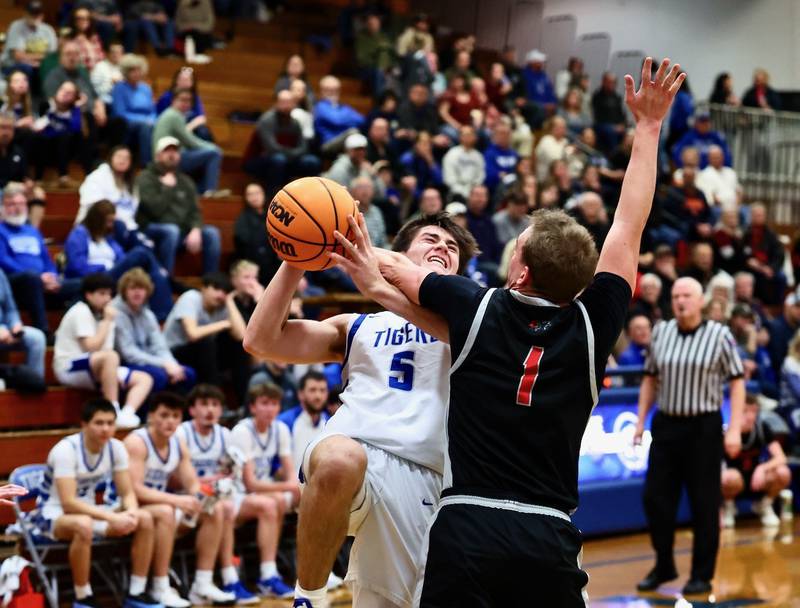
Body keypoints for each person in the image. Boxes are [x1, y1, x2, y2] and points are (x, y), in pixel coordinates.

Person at [372, 57, 685, 606]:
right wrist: (649, 128)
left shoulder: (478, 305)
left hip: (466, 524)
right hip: (548, 535)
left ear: (520, 272)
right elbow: (628, 223)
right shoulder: (595, 325)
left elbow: (393, 267)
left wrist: (338, 236)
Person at [243, 212, 477, 608]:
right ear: (402, 253)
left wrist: (351, 249)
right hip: (357, 456)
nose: (442, 248)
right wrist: (296, 257)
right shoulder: (357, 326)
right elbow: (261, 340)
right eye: (431, 240)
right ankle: (310, 597)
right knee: (339, 457)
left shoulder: (473, 322)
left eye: (451, 248)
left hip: (426, 474)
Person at [635, 276, 744, 595]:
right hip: (667, 424)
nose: (680, 301)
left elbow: (737, 382)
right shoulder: (662, 331)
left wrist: (734, 427)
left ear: (701, 301)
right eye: (677, 295)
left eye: (687, 295)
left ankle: (701, 574)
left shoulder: (719, 334)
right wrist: (640, 421)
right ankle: (664, 564)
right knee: (654, 498)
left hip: (703, 428)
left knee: (704, 504)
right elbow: (649, 378)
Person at [34, 398, 162, 608]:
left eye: (110, 423)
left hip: (91, 511)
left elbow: (127, 492)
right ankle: (83, 597)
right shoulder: (65, 450)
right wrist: (112, 517)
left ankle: (136, 592)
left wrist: (130, 513)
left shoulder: (116, 448)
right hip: (52, 514)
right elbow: (68, 503)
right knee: (82, 524)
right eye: (99, 423)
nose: (105, 429)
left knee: (144, 518)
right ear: (84, 424)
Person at [175, 383, 292, 602]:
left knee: (262, 505)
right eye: (203, 404)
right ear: (192, 410)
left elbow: (232, 474)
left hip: (219, 497)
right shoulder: (182, 433)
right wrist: (207, 481)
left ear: (221, 410)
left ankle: (266, 576)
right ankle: (229, 578)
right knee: (227, 506)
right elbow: (175, 478)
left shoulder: (225, 434)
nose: (210, 410)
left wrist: (219, 481)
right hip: (185, 497)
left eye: (215, 405)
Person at [124, 392, 235, 606]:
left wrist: (208, 495)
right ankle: (160, 586)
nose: (170, 421)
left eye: (175, 416)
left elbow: (192, 485)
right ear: (151, 416)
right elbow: (135, 490)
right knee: (167, 512)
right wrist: (177, 501)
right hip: (126, 506)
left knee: (215, 508)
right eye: (164, 415)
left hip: (159, 504)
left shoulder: (177, 442)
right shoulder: (137, 442)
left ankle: (202, 583)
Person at [54, 273, 152, 428]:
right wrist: (107, 321)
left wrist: (111, 374)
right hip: (69, 366)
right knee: (111, 357)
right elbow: (91, 347)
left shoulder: (106, 314)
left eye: (109, 294)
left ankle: (126, 414)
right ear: (88, 295)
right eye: (102, 294)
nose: (107, 299)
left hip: (95, 365)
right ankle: (111, 411)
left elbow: (105, 350)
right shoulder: (80, 311)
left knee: (144, 378)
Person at [230, 383, 300, 598]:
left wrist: (294, 487)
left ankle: (310, 567)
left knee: (303, 496)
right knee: (273, 503)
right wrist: (289, 486)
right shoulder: (242, 431)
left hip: (263, 494)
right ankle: (267, 575)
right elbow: (250, 483)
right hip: (236, 495)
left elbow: (290, 472)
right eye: (264, 403)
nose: (270, 409)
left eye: (274, 404)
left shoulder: (280, 429)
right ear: (252, 407)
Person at [63, 200, 172, 320]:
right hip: (94, 277)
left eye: (112, 221)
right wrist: (103, 266)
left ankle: (161, 315)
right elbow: (77, 266)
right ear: (97, 219)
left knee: (152, 274)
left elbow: (121, 258)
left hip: (113, 275)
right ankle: (167, 288)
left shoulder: (107, 238)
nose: (111, 225)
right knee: (140, 253)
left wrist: (118, 267)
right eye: (108, 221)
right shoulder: (79, 234)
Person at [0, 182, 80, 334]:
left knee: (81, 284)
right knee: (30, 278)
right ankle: (43, 330)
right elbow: (3, 261)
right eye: (11, 204)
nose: (17, 208)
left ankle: (66, 331)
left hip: (42, 284)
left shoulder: (33, 231)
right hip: (16, 285)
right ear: (2, 207)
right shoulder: (1, 231)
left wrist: (53, 277)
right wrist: (39, 277)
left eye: (21, 203)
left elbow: (46, 260)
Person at [135, 137, 222, 274]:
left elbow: (195, 211)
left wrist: (195, 229)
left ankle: (211, 282)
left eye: (175, 151)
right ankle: (165, 279)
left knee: (212, 233)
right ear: (158, 155)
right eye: (167, 151)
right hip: (153, 228)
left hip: (182, 231)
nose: (171, 154)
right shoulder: (145, 177)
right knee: (171, 230)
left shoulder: (185, 181)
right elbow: (153, 210)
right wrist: (167, 189)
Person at [113, 268, 196, 393]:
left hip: (149, 360)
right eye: (132, 288)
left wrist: (172, 364)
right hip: (125, 363)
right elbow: (128, 353)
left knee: (187, 374)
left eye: (141, 289)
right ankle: (150, 412)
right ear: (124, 292)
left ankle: (176, 411)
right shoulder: (116, 314)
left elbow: (160, 346)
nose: (137, 293)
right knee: (159, 376)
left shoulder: (148, 315)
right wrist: (163, 364)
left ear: (147, 292)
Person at [721, 393, 792, 528]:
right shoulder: (726, 432)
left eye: (754, 411)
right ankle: (729, 507)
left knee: (783, 472)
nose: (750, 416)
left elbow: (781, 457)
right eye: (745, 411)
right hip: (734, 482)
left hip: (756, 481)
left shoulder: (762, 428)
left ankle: (764, 506)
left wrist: (762, 468)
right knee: (728, 477)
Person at [163, 272, 245, 387]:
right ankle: (213, 392)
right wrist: (224, 323)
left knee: (237, 346)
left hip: (203, 355)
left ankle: (243, 399)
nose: (220, 295)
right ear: (203, 288)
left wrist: (230, 302)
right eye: (216, 288)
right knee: (206, 343)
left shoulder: (222, 305)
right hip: (173, 353)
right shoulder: (191, 297)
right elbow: (193, 334)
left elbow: (241, 335)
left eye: (225, 292)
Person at [152, 87, 225, 195]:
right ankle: (210, 193)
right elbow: (191, 142)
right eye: (182, 100)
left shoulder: (172, 114)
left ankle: (199, 192)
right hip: (166, 158)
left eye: (189, 100)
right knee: (214, 154)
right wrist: (213, 147)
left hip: (169, 155)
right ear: (173, 100)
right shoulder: (173, 115)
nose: (186, 103)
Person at [246, 89, 320, 192]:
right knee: (278, 159)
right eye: (283, 102)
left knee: (312, 161)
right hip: (259, 160)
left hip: (287, 159)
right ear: (276, 103)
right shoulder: (266, 120)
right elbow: (272, 149)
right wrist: (293, 154)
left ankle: (309, 195)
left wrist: (291, 155)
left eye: (289, 102)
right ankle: (273, 195)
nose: (286, 106)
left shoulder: (295, 123)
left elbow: (303, 148)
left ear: (294, 104)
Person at [78, 145, 147, 251]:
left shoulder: (131, 183)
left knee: (145, 245)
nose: (122, 160)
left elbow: (133, 211)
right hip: (97, 226)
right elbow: (95, 207)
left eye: (126, 158)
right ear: (110, 158)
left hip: (127, 227)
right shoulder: (97, 177)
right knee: (120, 227)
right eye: (119, 156)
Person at [277, 371, 331, 475]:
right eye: (312, 390)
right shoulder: (284, 422)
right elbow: (274, 466)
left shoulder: (331, 423)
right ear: (300, 394)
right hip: (290, 488)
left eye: (322, 390)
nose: (318, 396)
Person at [0, 267, 45, 390]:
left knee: (37, 337)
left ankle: (34, 384)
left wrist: (15, 325)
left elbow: (10, 308)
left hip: (5, 329)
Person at [111, 54, 156, 165]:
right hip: (128, 124)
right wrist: (144, 120)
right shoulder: (119, 88)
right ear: (126, 72)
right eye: (132, 70)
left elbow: (153, 110)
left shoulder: (146, 88)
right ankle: (147, 163)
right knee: (146, 127)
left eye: (138, 70)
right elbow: (120, 112)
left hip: (148, 121)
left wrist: (153, 119)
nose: (136, 73)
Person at [233, 183, 281, 286]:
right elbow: (246, 246)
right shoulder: (242, 220)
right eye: (250, 194)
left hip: (275, 262)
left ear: (264, 194)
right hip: (255, 267)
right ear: (246, 198)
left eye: (257, 193)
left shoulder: (273, 216)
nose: (254, 197)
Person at [1, 1, 57, 83]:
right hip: (12, 66)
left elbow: (52, 56)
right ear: (25, 14)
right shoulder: (16, 26)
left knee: (52, 68)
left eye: (37, 14)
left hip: (39, 66)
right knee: (26, 68)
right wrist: (39, 58)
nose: (34, 16)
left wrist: (37, 62)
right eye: (32, 13)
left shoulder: (48, 30)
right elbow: (18, 56)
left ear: (42, 15)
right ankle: (28, 95)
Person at [313, 75, 364, 153]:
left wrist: (341, 117)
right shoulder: (320, 106)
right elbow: (336, 120)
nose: (333, 92)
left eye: (336, 90)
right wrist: (347, 118)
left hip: (345, 142)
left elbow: (361, 120)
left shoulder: (344, 107)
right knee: (353, 132)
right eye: (329, 90)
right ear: (322, 91)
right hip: (328, 144)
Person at [442, 125, 485, 201]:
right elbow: (449, 178)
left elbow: (480, 176)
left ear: (475, 137)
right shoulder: (452, 154)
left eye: (471, 134)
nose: (468, 137)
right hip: (455, 192)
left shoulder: (478, 156)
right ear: (460, 137)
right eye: (465, 135)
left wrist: (473, 190)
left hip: (473, 192)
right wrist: (463, 191)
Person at [592, 71, 627, 154]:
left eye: (614, 83)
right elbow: (598, 115)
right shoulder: (597, 96)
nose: (611, 85)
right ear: (603, 82)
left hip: (617, 125)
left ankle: (625, 156)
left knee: (630, 132)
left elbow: (622, 114)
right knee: (611, 132)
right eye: (609, 82)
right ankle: (614, 155)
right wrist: (614, 127)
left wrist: (622, 124)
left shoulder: (617, 97)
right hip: (602, 125)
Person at [483, 120, 519, 194]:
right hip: (496, 190)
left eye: (508, 134)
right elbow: (489, 175)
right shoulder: (489, 153)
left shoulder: (514, 154)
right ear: (494, 136)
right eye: (502, 133)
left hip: (515, 187)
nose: (505, 136)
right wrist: (499, 175)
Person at [521, 49, 557, 115]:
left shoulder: (544, 75)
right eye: (539, 61)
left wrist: (553, 103)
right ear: (532, 62)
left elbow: (550, 91)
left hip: (549, 109)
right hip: (534, 109)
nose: (542, 63)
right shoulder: (524, 75)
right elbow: (527, 96)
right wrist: (543, 106)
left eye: (542, 61)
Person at [0, 112, 28, 189]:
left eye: (9, 128)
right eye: (2, 127)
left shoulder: (18, 152)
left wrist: (27, 183)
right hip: (6, 190)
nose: (6, 133)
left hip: (14, 192)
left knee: (38, 193)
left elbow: (22, 177)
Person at [90, 41, 124, 106]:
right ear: (108, 53)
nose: (116, 55)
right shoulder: (99, 67)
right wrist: (111, 84)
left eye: (118, 52)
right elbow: (93, 90)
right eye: (113, 52)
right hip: (105, 101)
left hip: (122, 100)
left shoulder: (124, 68)